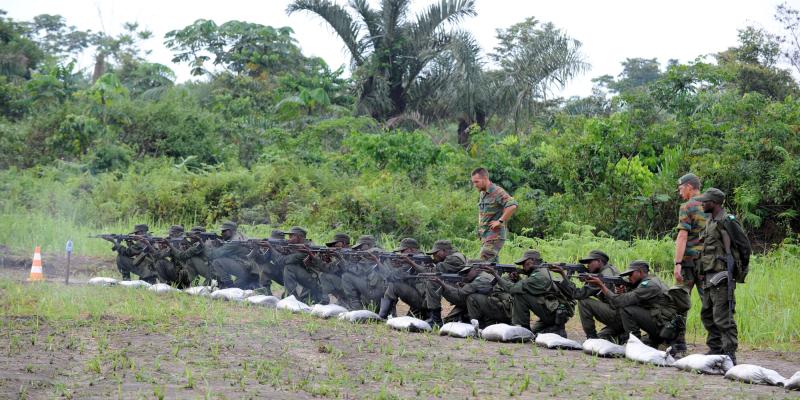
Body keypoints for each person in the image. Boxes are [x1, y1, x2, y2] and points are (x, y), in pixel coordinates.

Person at [697, 188, 747, 365]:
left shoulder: (727, 221)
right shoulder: (711, 220)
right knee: (707, 315)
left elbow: (744, 246)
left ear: (715, 203)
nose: (702, 203)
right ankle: (715, 349)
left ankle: (729, 353)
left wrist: (739, 271)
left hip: (722, 276)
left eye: (705, 201)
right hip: (710, 275)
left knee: (723, 317)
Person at [585, 261, 676, 347]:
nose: (628, 277)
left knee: (626, 309)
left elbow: (619, 302)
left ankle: (635, 343)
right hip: (662, 323)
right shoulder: (650, 280)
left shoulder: (648, 285)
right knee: (604, 336)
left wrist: (601, 285)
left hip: (664, 326)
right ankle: (629, 338)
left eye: (630, 274)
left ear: (639, 272)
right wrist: (623, 291)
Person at [490, 250, 573, 337]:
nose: (523, 267)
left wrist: (495, 275)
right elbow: (531, 289)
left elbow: (513, 289)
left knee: (519, 295)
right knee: (533, 333)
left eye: (524, 263)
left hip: (553, 314)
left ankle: (522, 327)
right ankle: (555, 329)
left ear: (532, 261)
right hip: (553, 313)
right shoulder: (541, 271)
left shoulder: (538, 276)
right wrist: (517, 278)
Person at [672, 173, 707, 355]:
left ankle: (679, 345)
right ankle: (717, 345)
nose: (680, 193)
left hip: (688, 264)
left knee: (679, 301)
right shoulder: (711, 205)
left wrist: (677, 263)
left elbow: (682, 236)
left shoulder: (687, 206)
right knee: (709, 303)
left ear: (689, 187)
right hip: (707, 264)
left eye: (680, 189)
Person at [568, 250, 624, 342]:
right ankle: (623, 335)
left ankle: (591, 338)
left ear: (599, 261)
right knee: (602, 337)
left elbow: (578, 294)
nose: (587, 265)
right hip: (623, 316)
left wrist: (564, 277)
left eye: (590, 262)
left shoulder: (602, 276)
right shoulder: (610, 269)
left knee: (584, 302)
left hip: (618, 315)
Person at [431, 266, 504, 328]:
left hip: (499, 309)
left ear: (476, 269)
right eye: (463, 273)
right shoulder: (482, 276)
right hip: (494, 306)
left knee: (471, 297)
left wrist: (443, 284)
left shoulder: (481, 279)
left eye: (467, 272)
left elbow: (460, 293)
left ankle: (480, 325)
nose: (465, 275)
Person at [470, 167, 518, 262]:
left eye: (476, 182)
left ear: (485, 179)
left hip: (495, 235)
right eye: (473, 182)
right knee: (492, 265)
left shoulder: (497, 191)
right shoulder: (483, 193)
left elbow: (513, 205)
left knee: (484, 261)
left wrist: (500, 221)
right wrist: (480, 230)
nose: (474, 185)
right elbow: (482, 213)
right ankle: (498, 277)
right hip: (486, 236)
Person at [418, 240, 467, 327]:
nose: (434, 256)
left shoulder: (453, 258)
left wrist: (429, 265)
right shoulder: (456, 256)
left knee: (433, 282)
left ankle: (436, 320)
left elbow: (434, 272)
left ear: (443, 250)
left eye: (436, 253)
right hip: (462, 291)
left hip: (463, 293)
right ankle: (429, 315)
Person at [378, 238, 428, 319]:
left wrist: (409, 263)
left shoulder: (420, 259)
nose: (401, 253)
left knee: (394, 285)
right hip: (421, 300)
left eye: (403, 250)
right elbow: (395, 277)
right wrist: (398, 266)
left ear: (411, 249)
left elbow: (392, 277)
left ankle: (382, 316)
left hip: (425, 301)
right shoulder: (412, 259)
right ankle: (386, 314)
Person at [340, 235, 388, 310]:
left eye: (360, 246)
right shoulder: (364, 255)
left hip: (380, 292)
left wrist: (375, 260)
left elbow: (388, 275)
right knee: (346, 276)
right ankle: (356, 306)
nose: (358, 249)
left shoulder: (378, 253)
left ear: (368, 245)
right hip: (370, 289)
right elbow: (356, 271)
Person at [280, 227, 323, 303]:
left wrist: (273, 250)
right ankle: (292, 296)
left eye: (291, 236)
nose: (289, 238)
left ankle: (292, 299)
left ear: (299, 237)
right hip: (308, 277)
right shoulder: (297, 245)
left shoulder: (307, 247)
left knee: (289, 268)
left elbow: (286, 260)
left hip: (315, 280)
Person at [209, 221, 257, 289]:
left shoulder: (234, 242)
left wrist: (211, 246)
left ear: (230, 231)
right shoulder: (239, 235)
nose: (221, 233)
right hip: (250, 269)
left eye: (224, 231)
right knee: (239, 287)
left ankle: (229, 286)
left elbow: (214, 255)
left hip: (246, 269)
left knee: (216, 262)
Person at [316, 232, 351, 304]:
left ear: (343, 243)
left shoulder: (351, 254)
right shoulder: (342, 254)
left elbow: (347, 270)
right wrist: (324, 259)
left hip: (352, 287)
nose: (333, 247)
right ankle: (336, 299)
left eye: (336, 244)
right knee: (324, 275)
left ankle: (328, 300)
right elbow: (329, 269)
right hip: (347, 285)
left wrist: (338, 257)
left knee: (324, 276)